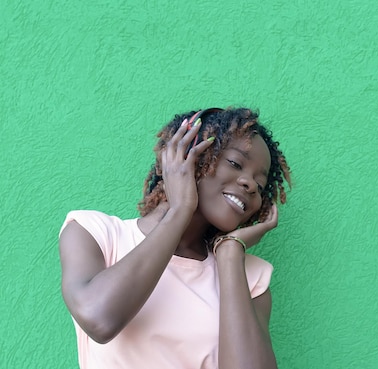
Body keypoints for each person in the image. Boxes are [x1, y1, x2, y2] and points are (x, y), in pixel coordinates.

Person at [59, 107, 291, 369]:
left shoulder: (251, 277)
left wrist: (229, 255)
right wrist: (180, 210)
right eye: (236, 164)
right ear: (186, 156)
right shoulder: (96, 233)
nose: (249, 184)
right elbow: (99, 319)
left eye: (259, 186)